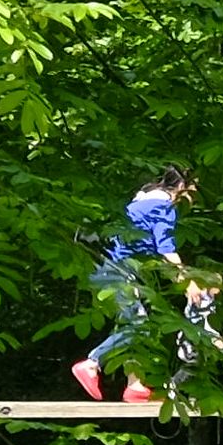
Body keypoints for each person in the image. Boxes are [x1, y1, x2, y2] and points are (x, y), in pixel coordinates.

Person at [74, 167, 197, 401]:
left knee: (132, 322)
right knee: (138, 324)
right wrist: (188, 280)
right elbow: (165, 248)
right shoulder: (163, 206)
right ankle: (92, 363)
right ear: (182, 186)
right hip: (116, 270)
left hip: (109, 268)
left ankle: (135, 384)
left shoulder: (143, 200)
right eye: (194, 186)